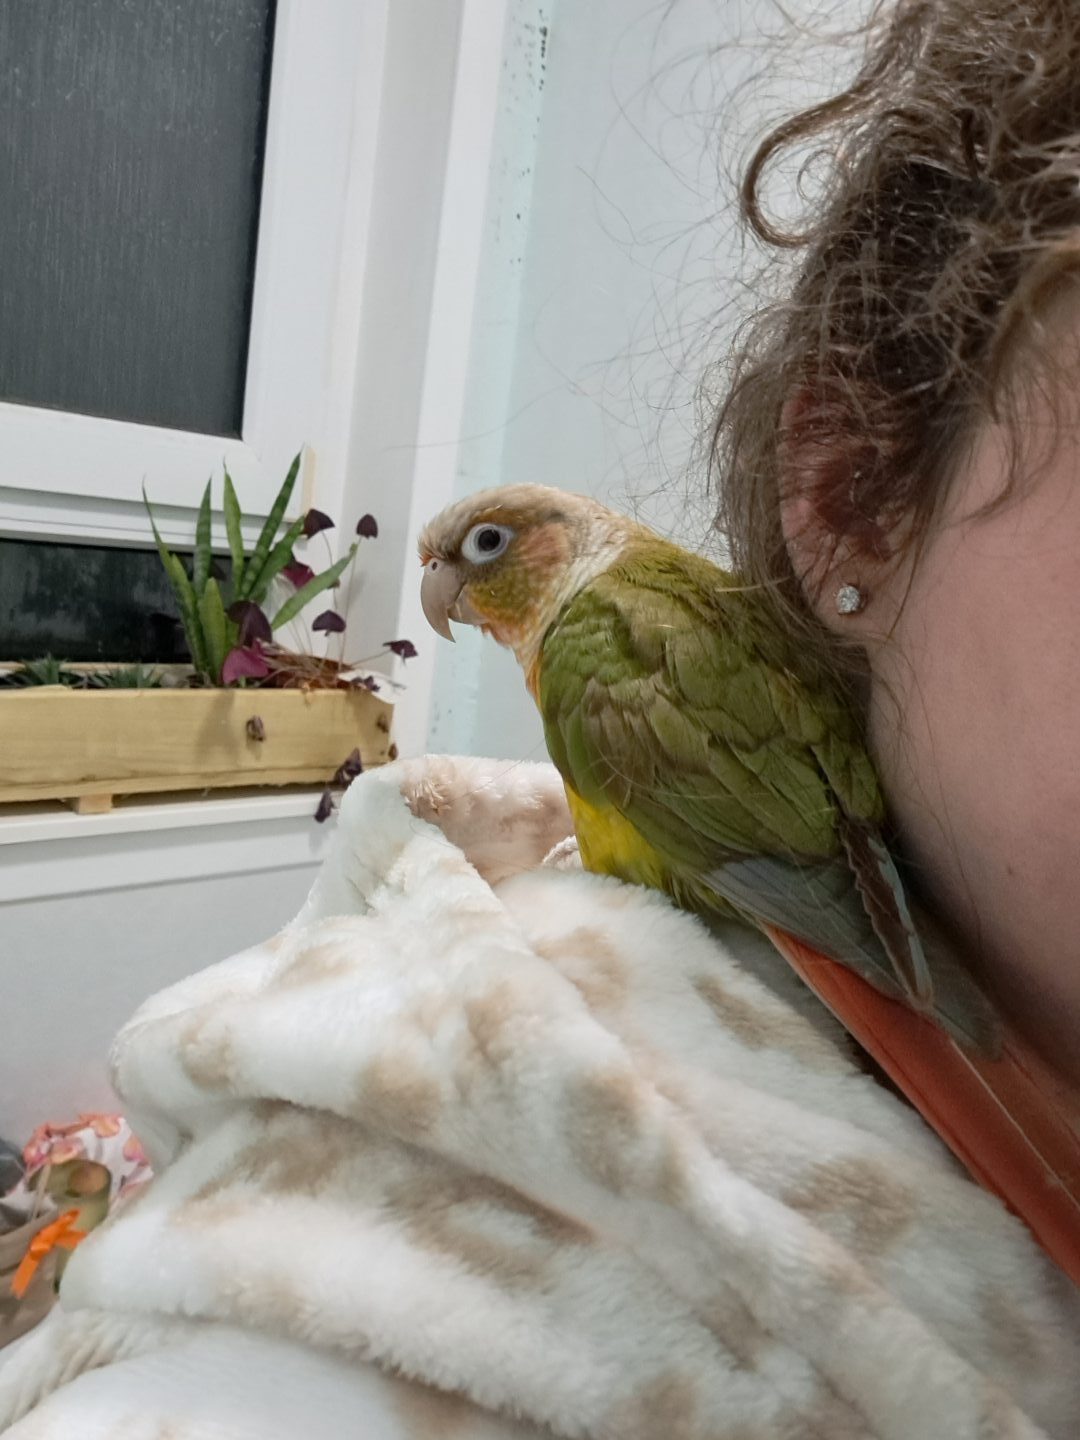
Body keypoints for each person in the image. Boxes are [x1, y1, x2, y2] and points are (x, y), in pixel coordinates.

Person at [1, 2, 1077, 1437]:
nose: (450, 584)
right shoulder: (441, 1196)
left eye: (487, 546)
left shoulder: (618, 640)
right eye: (450, 562)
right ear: (849, 495)